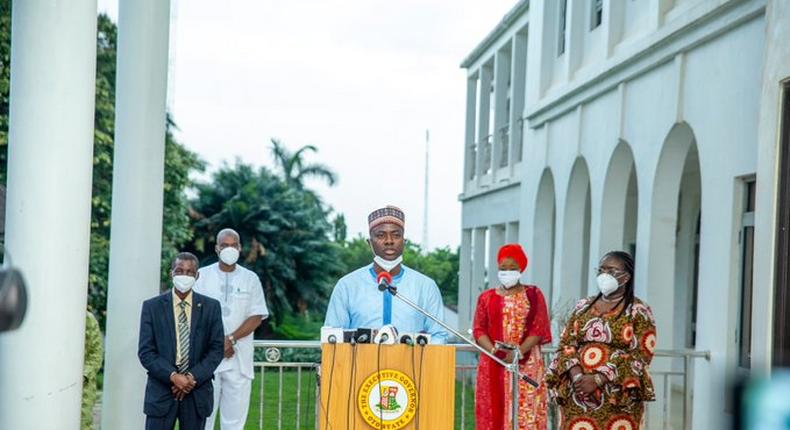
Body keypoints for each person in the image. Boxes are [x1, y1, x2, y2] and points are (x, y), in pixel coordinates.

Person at [546, 251, 656, 430]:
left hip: (618, 396)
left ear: (626, 277)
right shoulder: (583, 306)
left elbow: (641, 355)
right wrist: (578, 377)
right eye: (601, 270)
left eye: (611, 271)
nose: (605, 275)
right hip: (578, 393)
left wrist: (598, 379)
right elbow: (566, 344)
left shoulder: (639, 310)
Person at [324, 205, 448, 343]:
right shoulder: (347, 285)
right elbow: (332, 337)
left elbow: (439, 336)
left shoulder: (425, 286)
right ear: (369, 243)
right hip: (360, 363)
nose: (389, 241)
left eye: (396, 235)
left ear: (404, 242)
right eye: (381, 235)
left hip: (411, 363)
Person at [138, 252, 225, 430]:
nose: (184, 276)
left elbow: (216, 349)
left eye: (190, 272)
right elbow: (146, 351)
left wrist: (191, 378)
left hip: (196, 393)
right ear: (172, 274)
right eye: (180, 271)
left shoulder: (211, 307)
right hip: (162, 392)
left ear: (197, 275)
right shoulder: (152, 307)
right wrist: (173, 377)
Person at [194, 228, 269, 430]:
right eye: (224, 245)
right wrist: (218, 343)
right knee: (203, 419)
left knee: (234, 423)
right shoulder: (202, 276)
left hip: (238, 360)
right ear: (217, 248)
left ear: (240, 248)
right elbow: (195, 314)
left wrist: (231, 339)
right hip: (206, 359)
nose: (229, 249)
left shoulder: (250, 279)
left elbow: (256, 316)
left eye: (233, 245)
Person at [473, 244, 552, 430]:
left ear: (521, 269)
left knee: (526, 415)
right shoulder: (486, 297)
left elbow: (538, 328)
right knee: (494, 412)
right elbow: (478, 329)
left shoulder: (533, 294)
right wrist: (495, 352)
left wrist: (518, 352)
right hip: (494, 362)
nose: (507, 272)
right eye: (503, 268)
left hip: (526, 364)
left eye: (512, 268)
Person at [81, 310, 103, 430]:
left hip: (83, 387)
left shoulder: (88, 319)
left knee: (83, 424)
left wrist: (84, 375)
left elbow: (96, 355)